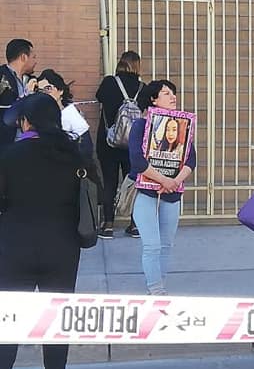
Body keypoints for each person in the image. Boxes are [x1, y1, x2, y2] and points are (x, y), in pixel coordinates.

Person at [0, 94, 100, 369]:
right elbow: (95, 189)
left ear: (27, 122)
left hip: (14, 248)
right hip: (62, 248)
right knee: (57, 319)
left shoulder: (9, 156)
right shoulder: (74, 156)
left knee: (9, 321)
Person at [128, 80, 197, 296]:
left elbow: (191, 160)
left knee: (166, 245)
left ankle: (161, 285)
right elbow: (137, 161)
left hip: (171, 194)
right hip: (146, 193)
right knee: (152, 245)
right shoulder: (140, 126)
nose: (172, 97)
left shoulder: (182, 127)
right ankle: (155, 290)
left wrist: (175, 181)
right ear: (153, 99)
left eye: (173, 93)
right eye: (166, 93)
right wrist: (163, 180)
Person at [95, 51, 144, 239]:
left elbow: (99, 97)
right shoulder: (142, 87)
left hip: (108, 142)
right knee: (132, 183)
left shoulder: (109, 83)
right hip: (132, 144)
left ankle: (108, 225)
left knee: (109, 182)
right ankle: (134, 224)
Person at [36, 69, 94, 159]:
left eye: (48, 89)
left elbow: (86, 149)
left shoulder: (70, 114)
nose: (44, 94)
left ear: (60, 91)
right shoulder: (39, 114)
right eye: (40, 91)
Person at [0, 38, 38, 148]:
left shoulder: (33, 81)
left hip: (28, 142)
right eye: (33, 57)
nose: (36, 62)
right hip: (5, 142)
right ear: (23, 57)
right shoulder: (1, 76)